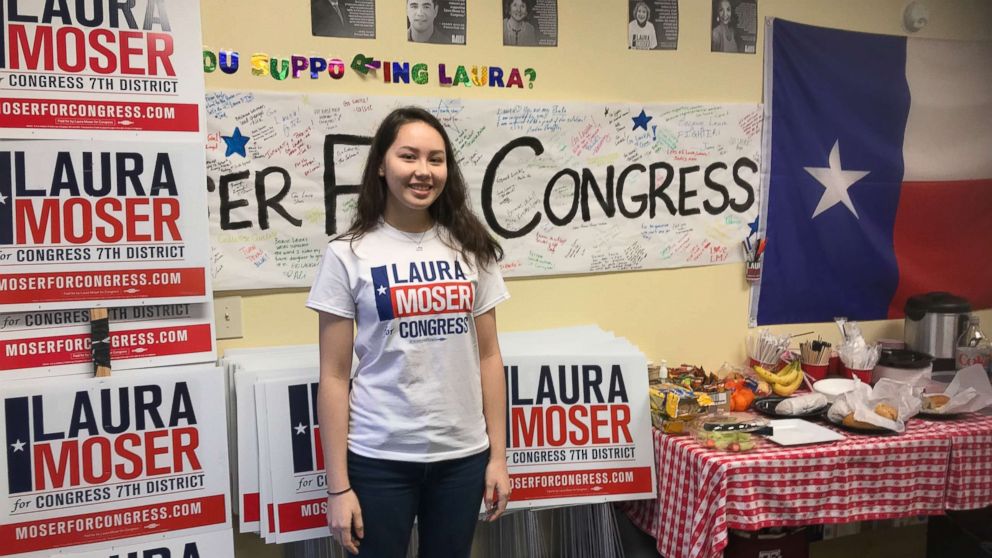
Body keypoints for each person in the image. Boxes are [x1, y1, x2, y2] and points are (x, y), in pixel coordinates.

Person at [308, 107, 511, 558]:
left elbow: (489, 357)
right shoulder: (347, 254)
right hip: (380, 457)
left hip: (461, 456)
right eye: (409, 156)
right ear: (381, 164)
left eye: (435, 159)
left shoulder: (471, 247)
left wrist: (498, 456)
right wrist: (337, 488)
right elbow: (335, 376)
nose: (423, 171)